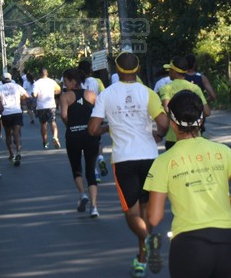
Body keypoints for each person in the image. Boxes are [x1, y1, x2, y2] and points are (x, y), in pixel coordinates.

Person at [145, 90, 231, 277]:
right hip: (228, 240)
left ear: (172, 123)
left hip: (189, 244)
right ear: (201, 120)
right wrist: (227, 202)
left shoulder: (162, 162)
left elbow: (154, 217)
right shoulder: (223, 151)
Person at [88, 52, 170, 277]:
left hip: (124, 159)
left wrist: (110, 126)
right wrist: (158, 135)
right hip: (149, 157)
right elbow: (164, 124)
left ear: (117, 70)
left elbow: (92, 129)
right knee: (145, 210)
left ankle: (148, 241)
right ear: (138, 69)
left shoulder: (107, 94)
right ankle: (142, 259)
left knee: (132, 214)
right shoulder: (148, 92)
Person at [60, 68, 100, 217]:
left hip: (73, 136)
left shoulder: (65, 96)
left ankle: (83, 194)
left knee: (76, 168)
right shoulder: (92, 95)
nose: (65, 85)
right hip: (90, 135)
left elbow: (63, 115)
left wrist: (70, 125)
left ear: (73, 81)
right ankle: (94, 207)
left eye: (66, 81)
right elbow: (98, 114)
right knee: (91, 170)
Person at [158, 56, 210, 151]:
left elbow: (167, 109)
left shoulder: (166, 88)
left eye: (170, 70)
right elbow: (207, 112)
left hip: (173, 138)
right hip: (194, 137)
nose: (169, 72)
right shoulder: (195, 88)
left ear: (174, 71)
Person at [79, 60, 107, 181]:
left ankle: (94, 172)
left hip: (82, 116)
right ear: (90, 70)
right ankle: (100, 158)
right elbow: (104, 95)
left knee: (87, 146)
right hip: (97, 114)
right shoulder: (97, 81)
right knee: (98, 141)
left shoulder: (78, 82)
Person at [0, 72, 30, 166]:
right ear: (10, 79)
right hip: (17, 112)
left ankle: (11, 155)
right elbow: (27, 96)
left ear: (3, 80)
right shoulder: (17, 86)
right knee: (16, 133)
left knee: (8, 134)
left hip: (6, 113)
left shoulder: (0, 88)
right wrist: (20, 99)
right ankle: (18, 151)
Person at [33, 68, 62, 149]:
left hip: (41, 107)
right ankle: (55, 137)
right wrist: (52, 93)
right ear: (47, 73)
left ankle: (45, 142)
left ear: (39, 74)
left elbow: (34, 95)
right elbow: (59, 90)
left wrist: (33, 94)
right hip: (51, 105)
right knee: (53, 122)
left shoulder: (37, 83)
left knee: (43, 124)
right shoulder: (52, 81)